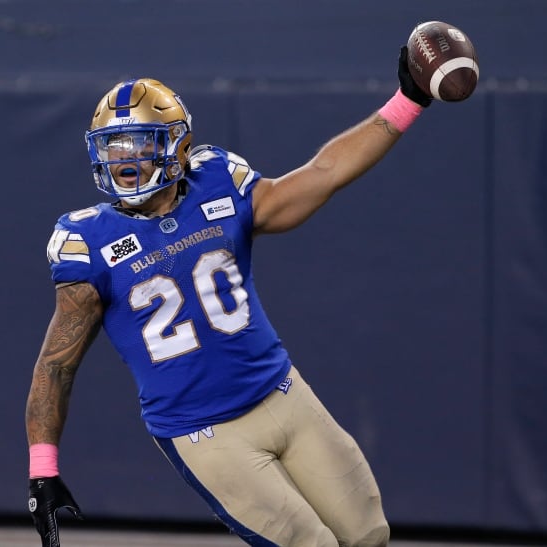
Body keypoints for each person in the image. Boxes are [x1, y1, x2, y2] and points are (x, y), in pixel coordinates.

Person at [25, 44, 434, 547]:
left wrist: (407, 100)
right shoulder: (87, 241)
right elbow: (56, 365)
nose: (126, 160)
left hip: (285, 395)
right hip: (205, 433)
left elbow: (323, 174)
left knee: (369, 533)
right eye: (114, 146)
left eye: (139, 143)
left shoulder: (217, 180)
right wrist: (42, 468)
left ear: (178, 146)